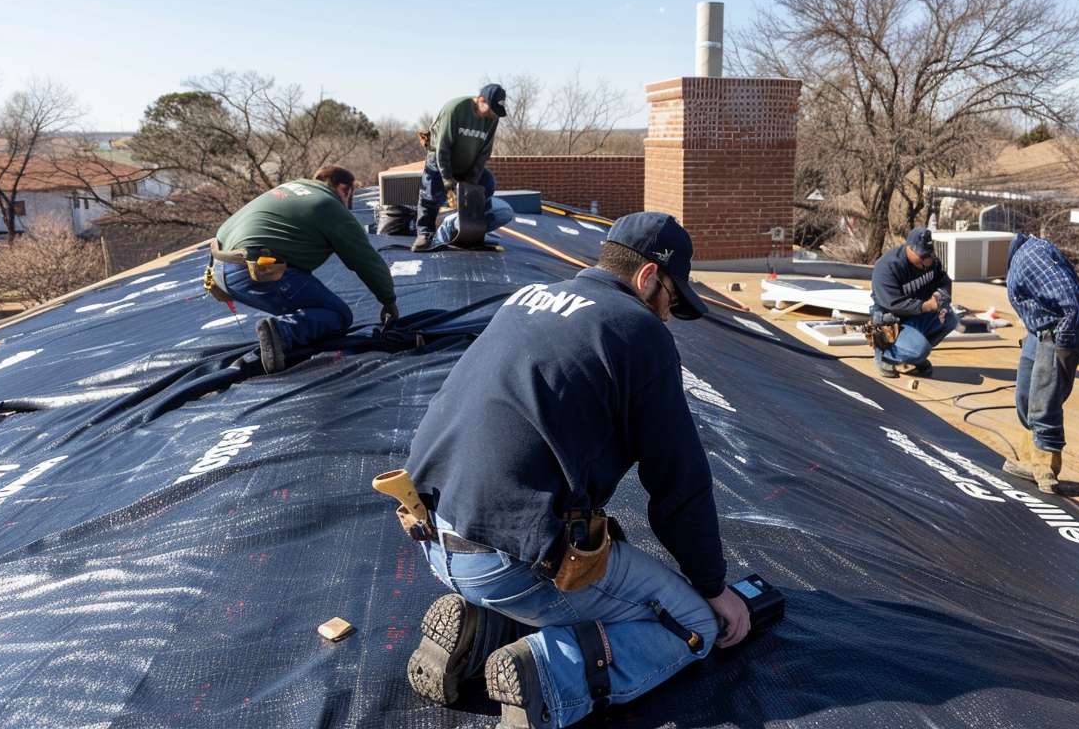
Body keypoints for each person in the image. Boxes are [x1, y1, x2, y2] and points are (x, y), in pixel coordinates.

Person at [400, 212, 751, 728]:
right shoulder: (637, 330)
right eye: (671, 301)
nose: (669, 317)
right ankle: (546, 675)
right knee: (692, 624)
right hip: (507, 564)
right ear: (649, 277)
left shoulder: (526, 299)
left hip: (434, 536)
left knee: (592, 565)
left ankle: (482, 632)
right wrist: (714, 586)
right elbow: (678, 482)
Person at [210, 166, 397, 374]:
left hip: (219, 270)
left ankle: (286, 335)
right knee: (337, 314)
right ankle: (281, 333)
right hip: (253, 270)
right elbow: (365, 259)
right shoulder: (327, 205)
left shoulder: (291, 187)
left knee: (311, 304)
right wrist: (388, 300)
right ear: (345, 189)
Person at [1002, 233, 1079, 494]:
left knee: (1044, 403)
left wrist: (1062, 344)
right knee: (1026, 397)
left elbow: (1070, 304)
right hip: (1039, 333)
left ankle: (1045, 468)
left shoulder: (1030, 257)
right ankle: (1030, 457)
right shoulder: (1027, 254)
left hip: (1058, 334)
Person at [413, 83, 515, 251]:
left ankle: (468, 228)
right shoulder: (456, 109)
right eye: (491, 110)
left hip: (467, 163)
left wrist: (471, 182)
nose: (493, 115)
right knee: (430, 195)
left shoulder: (492, 119)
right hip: (440, 160)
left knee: (487, 183)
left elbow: (484, 153)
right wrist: (447, 180)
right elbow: (443, 148)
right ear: (481, 100)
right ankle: (425, 234)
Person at [870, 228, 958, 378]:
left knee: (950, 319)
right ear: (908, 248)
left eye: (929, 254)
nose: (927, 260)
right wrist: (926, 306)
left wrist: (940, 294)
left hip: (917, 314)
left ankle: (912, 354)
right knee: (919, 349)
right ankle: (886, 354)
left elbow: (943, 280)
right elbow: (893, 303)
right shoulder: (888, 266)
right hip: (893, 319)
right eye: (923, 255)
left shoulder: (931, 262)